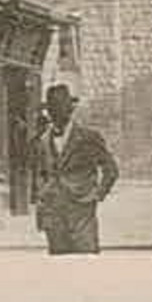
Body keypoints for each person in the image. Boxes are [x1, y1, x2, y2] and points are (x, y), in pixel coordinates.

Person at [33, 84, 119, 255]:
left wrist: (97, 194)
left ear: (70, 110)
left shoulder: (88, 137)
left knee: (85, 262)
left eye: (61, 107)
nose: (56, 113)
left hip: (81, 211)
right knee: (59, 267)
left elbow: (111, 169)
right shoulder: (42, 141)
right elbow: (40, 172)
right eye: (52, 109)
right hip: (54, 213)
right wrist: (43, 196)